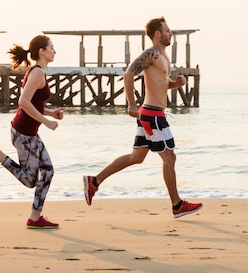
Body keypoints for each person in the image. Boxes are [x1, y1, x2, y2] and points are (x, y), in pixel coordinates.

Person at [83, 17, 202, 218]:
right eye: (167, 30)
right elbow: (129, 74)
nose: (170, 34)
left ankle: (94, 182)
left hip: (152, 113)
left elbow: (161, 84)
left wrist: (176, 84)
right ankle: (177, 205)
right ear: (158, 34)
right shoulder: (152, 53)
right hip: (153, 115)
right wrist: (131, 103)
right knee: (169, 157)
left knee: (136, 158)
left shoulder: (163, 57)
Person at [0, 35, 64, 229]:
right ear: (42, 51)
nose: (54, 51)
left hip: (28, 133)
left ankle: (34, 217)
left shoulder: (38, 72)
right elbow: (23, 102)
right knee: (30, 180)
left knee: (48, 171)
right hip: (24, 134)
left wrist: (51, 113)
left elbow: (33, 104)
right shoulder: (37, 73)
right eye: (51, 48)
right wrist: (47, 122)